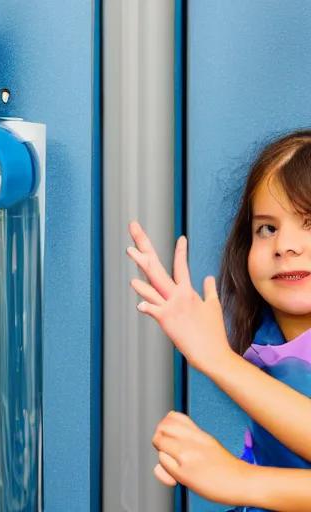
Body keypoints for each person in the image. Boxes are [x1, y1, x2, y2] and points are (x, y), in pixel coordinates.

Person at [126, 130, 311, 511]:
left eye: (310, 222)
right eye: (267, 228)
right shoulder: (266, 343)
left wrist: (239, 479)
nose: (285, 246)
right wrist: (194, 459)